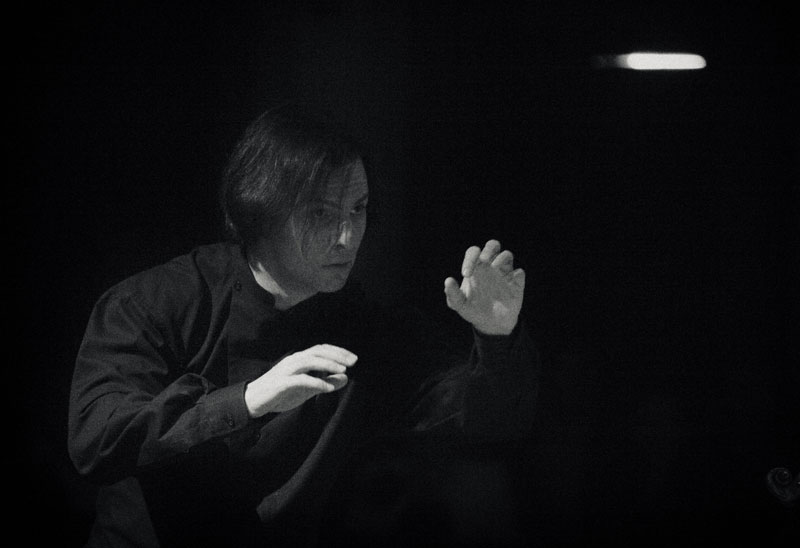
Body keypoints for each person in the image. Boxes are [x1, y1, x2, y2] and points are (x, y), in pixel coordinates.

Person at [68, 103, 540, 547]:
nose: (347, 237)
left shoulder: (367, 327)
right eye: (321, 213)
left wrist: (496, 336)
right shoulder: (155, 301)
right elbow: (96, 439)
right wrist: (248, 400)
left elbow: (487, 423)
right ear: (261, 208)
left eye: (358, 209)